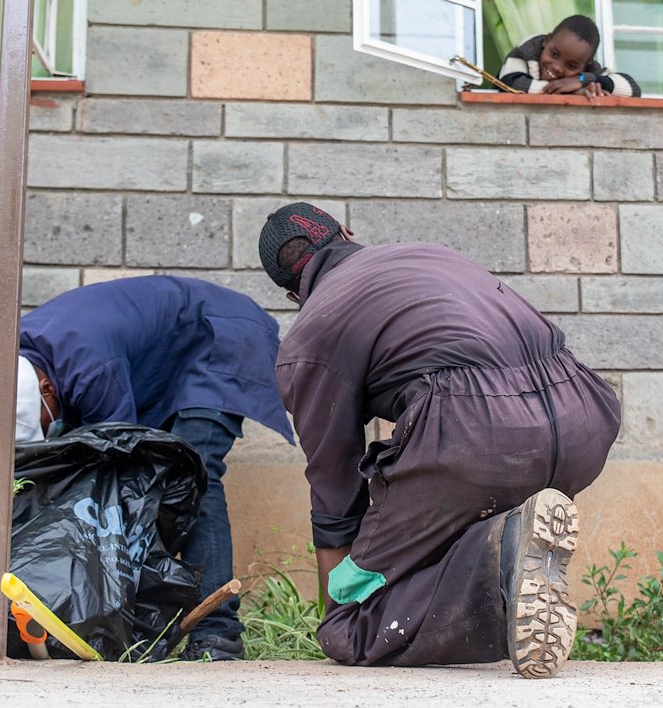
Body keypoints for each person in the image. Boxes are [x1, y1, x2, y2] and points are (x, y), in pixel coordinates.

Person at [257, 202, 621, 678]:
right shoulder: (430, 254)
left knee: (351, 627)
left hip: (475, 440)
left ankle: (501, 556)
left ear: (292, 296)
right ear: (346, 231)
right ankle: (506, 539)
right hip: (584, 415)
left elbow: (333, 482)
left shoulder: (310, 333)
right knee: (452, 518)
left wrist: (339, 610)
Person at [0, 275, 294, 662]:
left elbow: (126, 467)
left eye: (41, 426)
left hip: (221, 340)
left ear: (47, 389)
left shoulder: (91, 368)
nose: (45, 433)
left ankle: (218, 633)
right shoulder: (12, 359)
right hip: (167, 355)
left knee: (195, 474)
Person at [498, 14, 641, 98]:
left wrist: (582, 79)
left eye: (571, 66)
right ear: (546, 41)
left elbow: (633, 89)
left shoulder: (587, 71)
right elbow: (508, 84)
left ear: (586, 65)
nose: (558, 67)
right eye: (554, 54)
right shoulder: (527, 50)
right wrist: (572, 92)